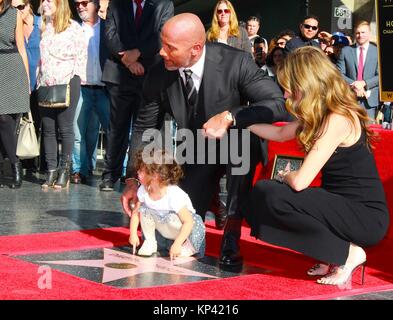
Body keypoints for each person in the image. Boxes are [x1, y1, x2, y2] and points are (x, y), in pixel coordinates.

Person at [120, 13, 287, 270]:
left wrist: (231, 116)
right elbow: (144, 127)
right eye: (162, 44)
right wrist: (134, 178)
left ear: (196, 49)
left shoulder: (236, 62)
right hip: (195, 148)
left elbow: (277, 103)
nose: (162, 53)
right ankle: (210, 202)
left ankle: (232, 230)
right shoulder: (159, 73)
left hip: (237, 144)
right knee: (180, 222)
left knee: (243, 149)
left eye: (170, 47)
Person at [245, 46, 389, 287]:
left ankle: (348, 254)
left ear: (308, 83)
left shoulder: (338, 119)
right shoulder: (322, 113)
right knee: (264, 193)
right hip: (338, 207)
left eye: (290, 87)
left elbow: (300, 181)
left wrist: (285, 176)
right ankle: (330, 253)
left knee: (271, 194)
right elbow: (280, 132)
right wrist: (240, 125)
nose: (287, 95)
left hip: (364, 217)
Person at [99, 0, 174, 191]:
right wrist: (127, 60)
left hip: (151, 75)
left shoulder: (163, 4)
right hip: (120, 72)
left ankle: (136, 176)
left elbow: (163, 35)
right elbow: (109, 34)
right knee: (117, 128)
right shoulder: (116, 4)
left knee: (145, 131)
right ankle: (110, 175)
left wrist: (138, 53)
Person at [37, 0, 87, 189]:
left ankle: (64, 172)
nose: (45, 3)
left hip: (67, 81)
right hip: (46, 82)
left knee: (65, 128)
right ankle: (50, 171)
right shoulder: (44, 27)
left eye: (49, 0)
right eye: (43, 1)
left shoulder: (74, 28)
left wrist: (76, 79)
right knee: (48, 129)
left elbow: (82, 56)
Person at [128, 149, 206, 259]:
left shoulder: (173, 195)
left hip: (186, 231)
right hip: (165, 228)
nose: (138, 173)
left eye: (141, 171)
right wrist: (133, 234)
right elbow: (136, 213)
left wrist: (178, 243)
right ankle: (150, 242)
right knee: (144, 210)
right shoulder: (143, 190)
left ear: (155, 175)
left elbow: (188, 222)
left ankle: (185, 245)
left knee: (171, 217)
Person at [71, 0, 110, 184]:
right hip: (82, 87)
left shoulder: (108, 28)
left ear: (95, 4)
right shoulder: (73, 29)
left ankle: (118, 171)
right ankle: (79, 170)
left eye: (84, 2)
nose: (80, 6)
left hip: (104, 89)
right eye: (77, 3)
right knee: (78, 133)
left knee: (108, 132)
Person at [0, 0, 30, 189]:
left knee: (5, 119)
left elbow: (21, 48)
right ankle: (12, 163)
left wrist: (26, 79)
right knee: (2, 120)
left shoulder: (14, 15)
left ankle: (14, 164)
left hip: (12, 68)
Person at [12, 0, 42, 174]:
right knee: (20, 122)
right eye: (14, 8)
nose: (18, 11)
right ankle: (22, 160)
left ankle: (38, 162)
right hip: (19, 81)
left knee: (39, 122)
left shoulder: (42, 24)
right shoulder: (12, 26)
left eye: (21, 7)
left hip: (40, 81)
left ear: (29, 5)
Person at [336, 21, 379, 121]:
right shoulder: (346, 51)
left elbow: (381, 76)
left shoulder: (377, 52)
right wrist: (355, 85)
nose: (360, 35)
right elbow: (338, 73)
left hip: (369, 101)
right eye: (357, 33)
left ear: (369, 33)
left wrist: (364, 83)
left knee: (369, 132)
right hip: (349, 98)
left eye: (363, 32)